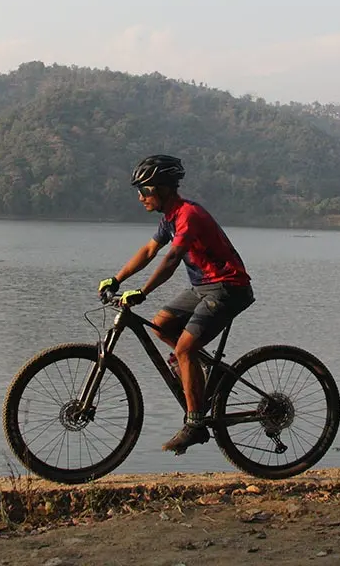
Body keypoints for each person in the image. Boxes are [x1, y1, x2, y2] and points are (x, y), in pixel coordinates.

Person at [98, 154, 256, 454]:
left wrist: (142, 292)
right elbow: (149, 251)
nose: (141, 197)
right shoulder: (168, 218)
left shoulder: (188, 215)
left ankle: (195, 424)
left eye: (145, 190)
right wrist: (116, 280)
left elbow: (171, 259)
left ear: (164, 189)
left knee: (183, 348)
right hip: (202, 287)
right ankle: (208, 370)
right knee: (161, 325)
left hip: (228, 287)